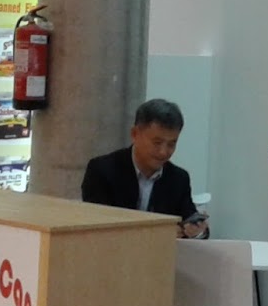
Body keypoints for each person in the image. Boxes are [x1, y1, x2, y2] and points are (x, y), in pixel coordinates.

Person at [81, 98, 207, 238]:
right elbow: (98, 227)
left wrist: (198, 230)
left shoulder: (179, 179)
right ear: (135, 134)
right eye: (157, 142)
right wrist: (159, 233)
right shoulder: (102, 170)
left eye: (171, 144)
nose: (163, 152)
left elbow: (190, 218)